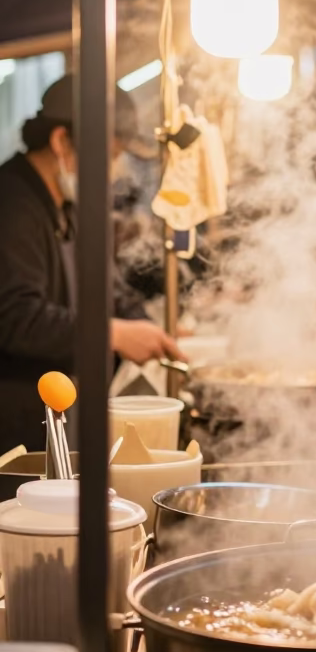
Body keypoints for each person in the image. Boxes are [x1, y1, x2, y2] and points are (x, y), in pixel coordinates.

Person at [0, 74, 181, 453]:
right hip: (13, 430)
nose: (115, 171)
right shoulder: (12, 204)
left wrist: (152, 331)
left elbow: (107, 288)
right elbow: (15, 316)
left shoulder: (67, 205)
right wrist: (113, 333)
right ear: (61, 140)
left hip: (57, 413)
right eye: (110, 156)